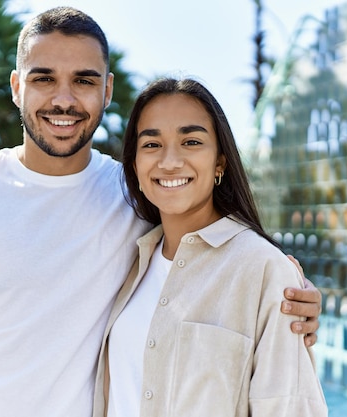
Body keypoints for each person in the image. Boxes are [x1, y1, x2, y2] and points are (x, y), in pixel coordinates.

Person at [0, 7, 322, 417]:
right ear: (17, 87)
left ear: (107, 90)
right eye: (44, 79)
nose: (64, 99)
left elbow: (215, 257)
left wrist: (288, 294)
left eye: (85, 81)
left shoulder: (138, 197)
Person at [92, 78, 327, 416]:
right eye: (152, 144)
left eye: (191, 141)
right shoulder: (130, 259)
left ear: (220, 163)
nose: (170, 161)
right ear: (135, 166)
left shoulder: (264, 269)